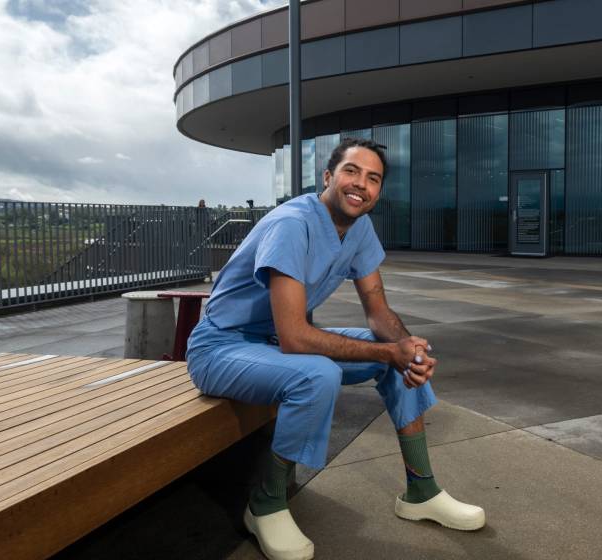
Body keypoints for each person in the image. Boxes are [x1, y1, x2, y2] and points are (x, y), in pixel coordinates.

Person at [186, 138, 485, 560]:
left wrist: (407, 349)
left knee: (394, 352)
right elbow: (295, 337)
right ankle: (266, 503)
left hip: (272, 344)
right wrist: (389, 353)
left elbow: (378, 312)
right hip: (221, 348)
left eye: (373, 178)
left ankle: (421, 490)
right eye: (351, 171)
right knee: (318, 374)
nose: (361, 183)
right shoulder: (292, 224)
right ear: (328, 177)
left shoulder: (359, 228)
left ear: (378, 191)